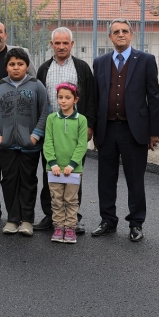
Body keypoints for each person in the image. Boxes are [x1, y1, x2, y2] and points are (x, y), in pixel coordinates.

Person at [92, 18, 159, 242]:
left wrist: (154, 132)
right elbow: (96, 97)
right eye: (116, 32)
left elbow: (154, 97)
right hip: (107, 129)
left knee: (135, 179)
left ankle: (136, 223)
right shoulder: (100, 62)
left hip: (135, 131)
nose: (120, 34)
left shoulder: (146, 60)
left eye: (124, 31)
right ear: (110, 37)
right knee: (106, 178)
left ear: (131, 35)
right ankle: (108, 220)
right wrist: (92, 128)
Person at [34, 27, 94, 232]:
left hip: (76, 132)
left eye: (65, 43)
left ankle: (72, 218)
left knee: (73, 175)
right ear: (51, 44)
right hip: (52, 131)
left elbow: (91, 99)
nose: (61, 46)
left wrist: (90, 127)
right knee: (49, 173)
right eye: (57, 43)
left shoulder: (82, 68)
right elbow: (39, 101)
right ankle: (50, 215)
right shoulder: (43, 69)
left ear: (72, 44)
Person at [0, 48, 48, 237]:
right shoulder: (0, 86)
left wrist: (35, 136)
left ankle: (27, 220)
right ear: (6, 67)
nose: (16, 68)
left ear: (26, 66)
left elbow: (45, 112)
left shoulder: (36, 85)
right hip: (6, 145)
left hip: (29, 146)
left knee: (28, 182)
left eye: (20, 64)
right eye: (12, 64)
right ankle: (12, 219)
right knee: (9, 181)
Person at [0, 21, 35, 223]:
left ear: (5, 34)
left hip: (17, 127)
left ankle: (21, 216)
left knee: (15, 175)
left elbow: (33, 81)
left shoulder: (19, 53)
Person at [43, 82, 88, 244]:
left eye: (67, 98)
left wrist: (72, 165)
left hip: (73, 170)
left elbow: (82, 145)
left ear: (75, 99)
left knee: (71, 200)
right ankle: (58, 227)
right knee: (56, 200)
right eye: (60, 97)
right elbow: (48, 142)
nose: (63, 101)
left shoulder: (81, 120)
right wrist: (53, 163)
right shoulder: (51, 119)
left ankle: (70, 228)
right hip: (53, 169)